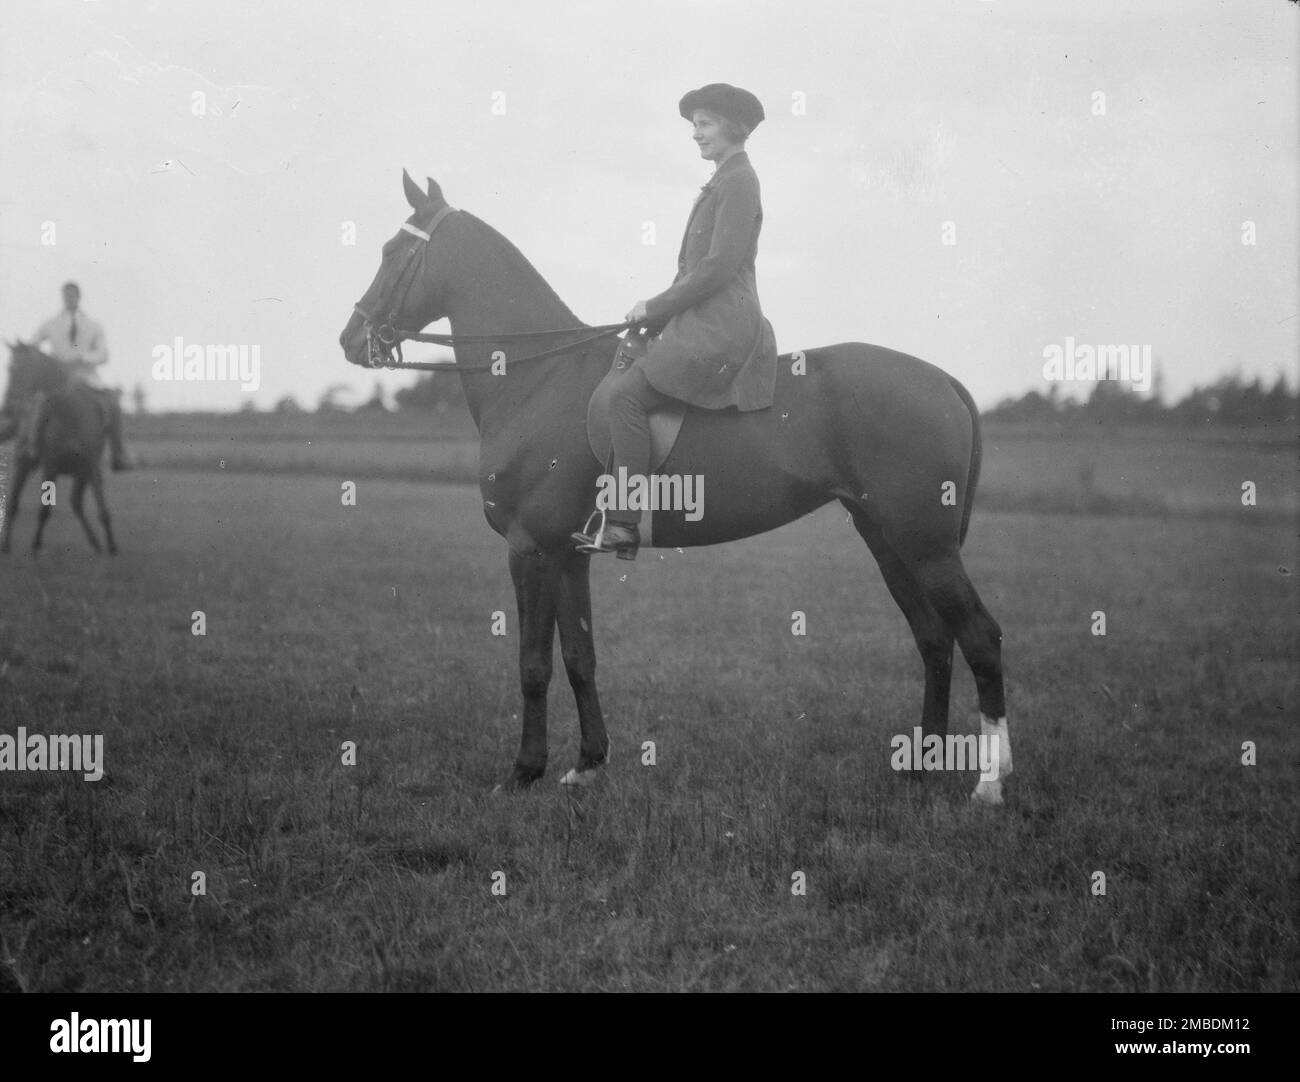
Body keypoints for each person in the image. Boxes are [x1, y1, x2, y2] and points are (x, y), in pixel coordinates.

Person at [574, 83, 778, 557]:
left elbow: (720, 266)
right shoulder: (723, 180)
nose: (695, 135)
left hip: (723, 322)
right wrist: (656, 320)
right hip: (703, 317)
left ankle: (623, 522)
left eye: (703, 124)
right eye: (694, 126)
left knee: (626, 396)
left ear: (731, 127)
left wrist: (655, 306)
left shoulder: (740, 180)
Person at [19, 281, 132, 470]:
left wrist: (83, 357)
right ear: (62, 297)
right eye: (65, 295)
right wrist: (31, 352)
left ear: (78, 297)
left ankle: (118, 454)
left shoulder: (93, 325)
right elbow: (34, 344)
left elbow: (103, 354)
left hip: (86, 377)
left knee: (113, 404)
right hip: (58, 379)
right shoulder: (51, 324)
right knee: (40, 404)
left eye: (72, 295)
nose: (68, 299)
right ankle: (32, 448)